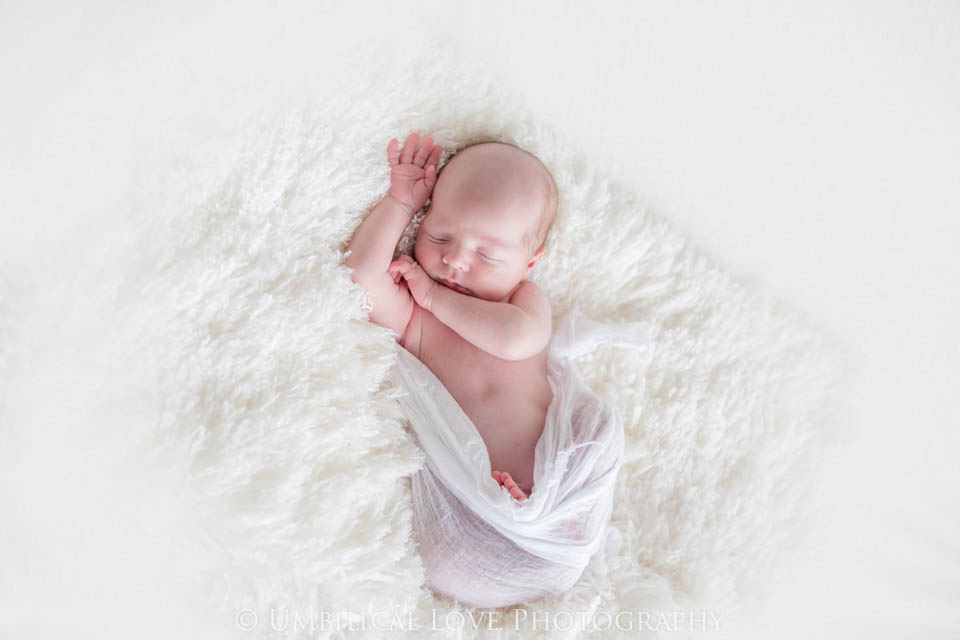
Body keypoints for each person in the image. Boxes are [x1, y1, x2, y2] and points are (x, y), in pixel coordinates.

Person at [344, 132, 559, 501]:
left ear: (530, 263)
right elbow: (362, 275)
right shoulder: (413, 314)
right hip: (461, 493)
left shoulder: (521, 300)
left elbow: (515, 340)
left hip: (550, 480)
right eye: (440, 237)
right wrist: (400, 203)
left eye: (487, 255)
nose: (454, 260)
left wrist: (435, 297)